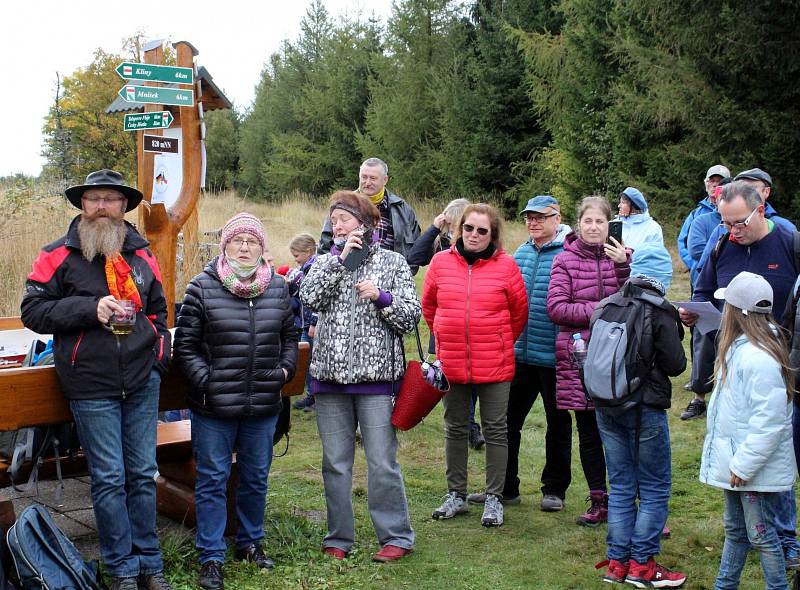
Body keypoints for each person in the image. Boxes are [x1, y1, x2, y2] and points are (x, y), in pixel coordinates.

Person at [20, 169, 173, 590]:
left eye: (111, 199)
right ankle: (121, 568)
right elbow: (33, 311)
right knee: (108, 477)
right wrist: (90, 309)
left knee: (142, 473)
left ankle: (150, 563)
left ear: (125, 206)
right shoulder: (57, 255)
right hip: (90, 384)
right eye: (94, 199)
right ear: (82, 205)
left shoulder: (141, 255)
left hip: (142, 381)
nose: (102, 207)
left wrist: (158, 357)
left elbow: (160, 313)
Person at [173, 213, 299, 589]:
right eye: (238, 240)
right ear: (225, 244)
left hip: (262, 403)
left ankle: (250, 543)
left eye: (253, 241)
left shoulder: (277, 288)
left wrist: (283, 372)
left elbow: (290, 337)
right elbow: (186, 347)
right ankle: (211, 555)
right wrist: (207, 382)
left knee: (256, 477)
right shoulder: (201, 287)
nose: (245, 247)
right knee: (212, 479)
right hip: (214, 407)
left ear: (262, 248)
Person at [681, 181, 800, 568]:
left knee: (774, 445)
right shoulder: (721, 243)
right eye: (725, 223)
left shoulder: (789, 242)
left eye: (739, 223)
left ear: (761, 208)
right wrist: (694, 312)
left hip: (779, 365)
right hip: (732, 360)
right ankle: (748, 531)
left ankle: (785, 538)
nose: (732, 231)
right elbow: (702, 291)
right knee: (736, 441)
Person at [300, 191, 420, 563]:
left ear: (366, 225)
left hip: (376, 381)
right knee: (335, 462)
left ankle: (396, 536)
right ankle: (339, 536)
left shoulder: (393, 262)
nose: (337, 225)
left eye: (345, 219)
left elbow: (411, 317)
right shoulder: (324, 261)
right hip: (329, 380)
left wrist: (382, 298)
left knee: (382, 461)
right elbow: (309, 299)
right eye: (333, 220)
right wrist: (338, 262)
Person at [422, 203, 528, 527]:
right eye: (469, 228)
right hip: (452, 362)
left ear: (492, 234)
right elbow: (430, 307)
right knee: (454, 427)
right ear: (460, 229)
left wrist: (496, 341)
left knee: (496, 429)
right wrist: (444, 335)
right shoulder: (440, 263)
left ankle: (494, 498)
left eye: (482, 230)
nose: (474, 235)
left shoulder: (507, 266)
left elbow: (518, 313)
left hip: (494, 363)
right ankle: (456, 494)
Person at [468, 195, 572, 512]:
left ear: (557, 218)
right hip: (519, 354)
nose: (533, 222)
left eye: (540, 217)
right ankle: (504, 488)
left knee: (557, 425)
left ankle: (554, 490)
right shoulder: (521, 253)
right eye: (529, 217)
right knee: (505, 423)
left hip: (556, 356)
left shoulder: (569, 253)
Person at [699, 271, 795, 590]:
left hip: (748, 468)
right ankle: (725, 585)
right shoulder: (740, 349)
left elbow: (770, 420)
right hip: (737, 465)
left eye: (727, 305)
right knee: (737, 531)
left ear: (739, 313)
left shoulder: (758, 359)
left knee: (761, 536)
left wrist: (742, 464)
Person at [595, 277, 688, 587]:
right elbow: (675, 365)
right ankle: (642, 565)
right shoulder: (659, 310)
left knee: (620, 486)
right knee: (654, 486)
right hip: (644, 406)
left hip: (606, 405)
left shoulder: (606, 306)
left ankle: (618, 563)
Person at [547, 195, 631, 527]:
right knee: (589, 431)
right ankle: (599, 499)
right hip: (580, 357)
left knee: (624, 430)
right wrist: (601, 311)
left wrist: (623, 265)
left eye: (600, 221)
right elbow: (556, 308)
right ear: (578, 224)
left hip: (617, 357)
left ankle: (628, 498)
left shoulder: (621, 258)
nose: (594, 227)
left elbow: (634, 303)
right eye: (588, 221)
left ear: (609, 224)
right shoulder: (564, 261)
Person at [406, 198, 486, 449]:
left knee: (472, 380)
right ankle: (465, 426)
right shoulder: (441, 247)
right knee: (450, 378)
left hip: (473, 327)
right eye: (449, 227)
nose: (453, 233)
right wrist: (433, 228)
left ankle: (470, 427)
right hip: (445, 326)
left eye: (455, 227)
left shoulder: (480, 250)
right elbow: (414, 258)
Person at [317, 157, 420, 263]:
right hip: (348, 272)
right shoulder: (341, 205)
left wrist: (405, 270)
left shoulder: (402, 209)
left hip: (390, 273)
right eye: (364, 177)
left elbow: (416, 250)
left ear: (385, 180)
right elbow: (325, 245)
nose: (367, 182)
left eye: (373, 178)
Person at [285, 233, 319, 413]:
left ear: (308, 251)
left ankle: (315, 398)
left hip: (311, 325)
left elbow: (317, 299)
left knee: (311, 362)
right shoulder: (305, 269)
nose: (295, 260)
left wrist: (314, 321)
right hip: (304, 324)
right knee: (305, 361)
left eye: (297, 255)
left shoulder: (315, 268)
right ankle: (311, 395)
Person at [677, 164, 730, 278]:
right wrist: (694, 265)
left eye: (720, 181)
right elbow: (682, 242)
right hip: (699, 275)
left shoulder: (736, 213)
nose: (715, 184)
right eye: (712, 180)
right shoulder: (696, 214)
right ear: (706, 184)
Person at [616, 187, 673, 291]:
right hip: (616, 278)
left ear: (634, 205)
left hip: (642, 284)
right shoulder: (615, 224)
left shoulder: (652, 228)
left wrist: (629, 254)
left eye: (623, 203)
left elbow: (655, 258)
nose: (619, 205)